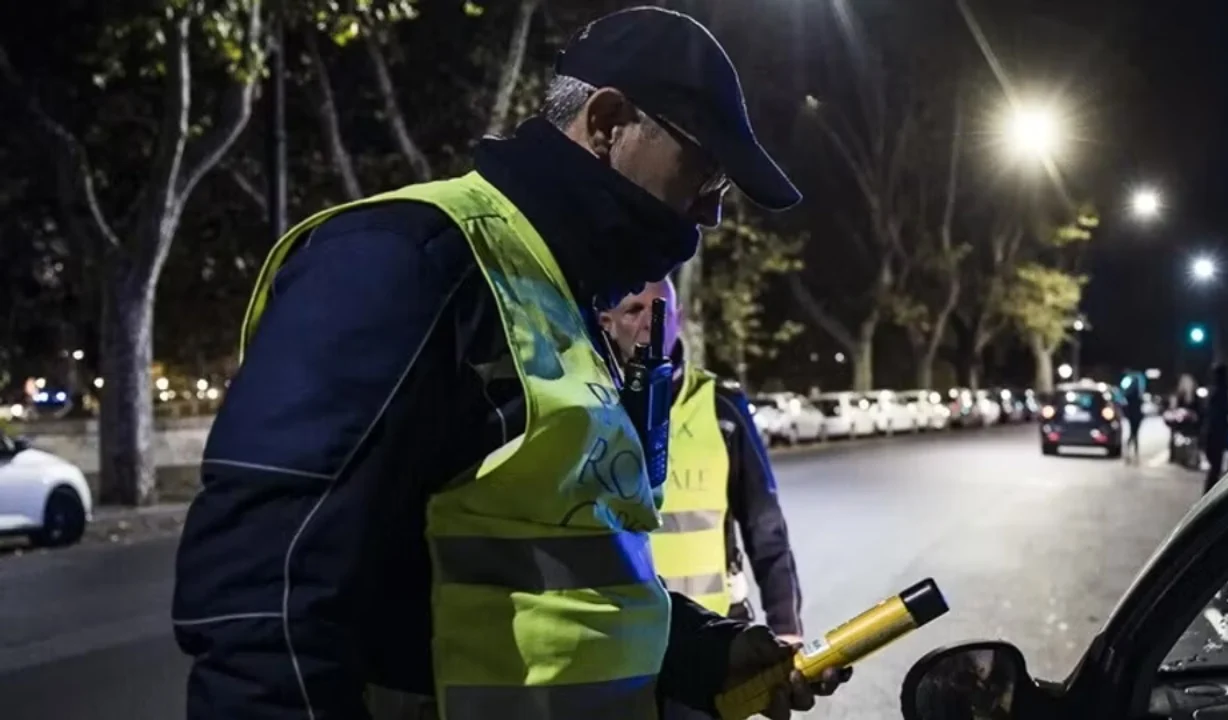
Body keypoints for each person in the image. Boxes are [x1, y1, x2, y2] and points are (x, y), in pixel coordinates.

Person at [171, 7, 849, 720]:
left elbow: (561, 576)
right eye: (704, 172)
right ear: (608, 123)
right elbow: (267, 597)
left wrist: (701, 654)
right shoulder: (407, 262)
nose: (710, 215)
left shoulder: (559, 299)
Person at [600, 278, 809, 720]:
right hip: (622, 645)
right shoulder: (591, 409)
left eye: (659, 311)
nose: (647, 323)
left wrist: (786, 629)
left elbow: (765, 525)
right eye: (633, 310)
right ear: (607, 322)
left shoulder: (721, 406)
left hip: (715, 647)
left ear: (679, 320)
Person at [1202, 363, 1228, 493]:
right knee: (1216, 466)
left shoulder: (1214, 392)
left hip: (1213, 433)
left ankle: (1210, 493)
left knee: (1215, 467)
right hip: (1218, 433)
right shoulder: (1221, 393)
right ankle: (1210, 494)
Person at [1121, 371, 1146, 464]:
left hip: (1133, 416)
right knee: (1134, 435)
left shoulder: (1129, 395)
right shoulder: (1138, 395)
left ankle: (1130, 453)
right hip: (1136, 416)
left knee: (1133, 434)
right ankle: (1134, 454)